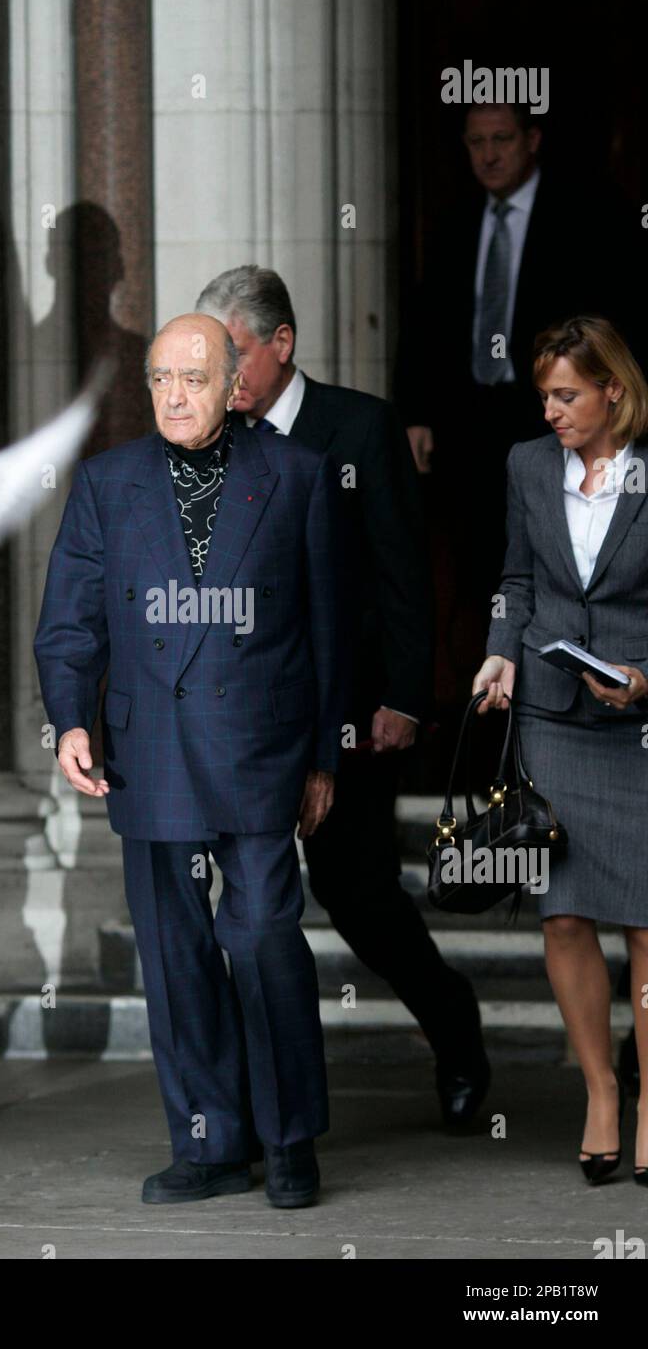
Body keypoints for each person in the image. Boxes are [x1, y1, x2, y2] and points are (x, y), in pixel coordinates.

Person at [34, 313, 344, 1208]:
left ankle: (288, 1141)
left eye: (194, 378)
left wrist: (324, 757)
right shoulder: (106, 482)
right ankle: (210, 1144)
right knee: (173, 957)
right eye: (161, 378)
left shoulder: (296, 477)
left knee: (260, 940)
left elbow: (328, 633)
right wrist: (69, 721)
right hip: (149, 751)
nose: (174, 394)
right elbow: (69, 625)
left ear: (234, 384)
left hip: (261, 749)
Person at [196, 265, 491, 1125]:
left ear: (282, 346)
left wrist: (406, 695)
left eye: (233, 354)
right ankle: (253, 1098)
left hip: (351, 707)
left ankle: (452, 1020)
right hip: (243, 711)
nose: (220, 375)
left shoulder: (359, 427)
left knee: (355, 888)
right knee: (244, 895)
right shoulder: (211, 434)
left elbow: (402, 572)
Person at [473, 315, 648, 1187]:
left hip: (640, 727)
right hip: (550, 713)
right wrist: (501, 648)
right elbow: (515, 579)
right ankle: (603, 1093)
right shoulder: (526, 466)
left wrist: (645, 675)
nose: (552, 410)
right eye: (544, 394)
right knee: (566, 915)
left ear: (613, 389)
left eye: (568, 394)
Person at [397, 103, 643, 674]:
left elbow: (617, 315)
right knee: (480, 563)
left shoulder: (584, 213)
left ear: (532, 139)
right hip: (468, 422)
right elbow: (424, 321)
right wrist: (416, 412)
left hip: (548, 416)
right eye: (475, 141)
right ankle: (486, 681)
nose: (488, 154)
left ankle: (569, 668)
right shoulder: (456, 218)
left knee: (560, 551)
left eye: (501, 138)